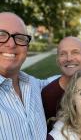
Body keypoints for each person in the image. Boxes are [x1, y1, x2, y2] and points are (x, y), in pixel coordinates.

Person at [0, 12, 58, 140]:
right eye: (1, 35)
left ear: (27, 46)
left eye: (20, 37)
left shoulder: (32, 84)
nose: (11, 44)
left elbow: (59, 82)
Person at [42, 36, 81, 132]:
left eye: (75, 52)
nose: (69, 58)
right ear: (57, 61)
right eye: (63, 54)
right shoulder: (47, 95)